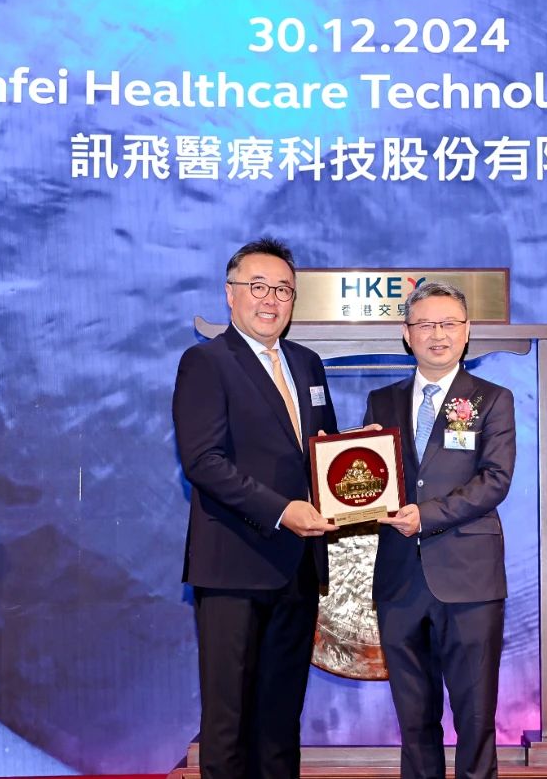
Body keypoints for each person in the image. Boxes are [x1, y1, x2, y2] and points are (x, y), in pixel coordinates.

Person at [172, 237, 337, 779]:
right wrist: (282, 510)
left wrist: (359, 470)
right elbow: (203, 461)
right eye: (258, 287)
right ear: (230, 293)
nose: (271, 300)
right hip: (233, 567)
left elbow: (323, 453)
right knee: (229, 725)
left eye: (283, 290)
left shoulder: (307, 364)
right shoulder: (206, 362)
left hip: (298, 569)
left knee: (280, 723)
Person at [364, 281, 516, 779]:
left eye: (448, 323)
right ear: (406, 334)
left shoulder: (492, 399)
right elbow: (371, 481)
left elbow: (495, 481)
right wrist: (345, 467)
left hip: (469, 581)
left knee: (475, 719)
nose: (437, 334)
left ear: (467, 332)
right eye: (425, 324)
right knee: (414, 723)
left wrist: (425, 515)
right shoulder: (381, 401)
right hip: (399, 580)